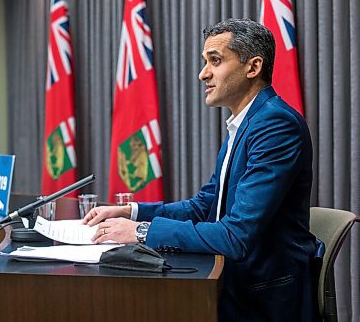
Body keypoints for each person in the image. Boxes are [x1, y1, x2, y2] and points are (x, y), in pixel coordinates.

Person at [83, 19, 318, 321]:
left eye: (215, 61)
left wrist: (141, 232)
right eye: (204, 61)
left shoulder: (275, 125)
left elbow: (236, 235)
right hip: (233, 282)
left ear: (253, 67)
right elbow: (206, 205)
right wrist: (132, 211)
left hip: (262, 297)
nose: (202, 73)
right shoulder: (245, 122)